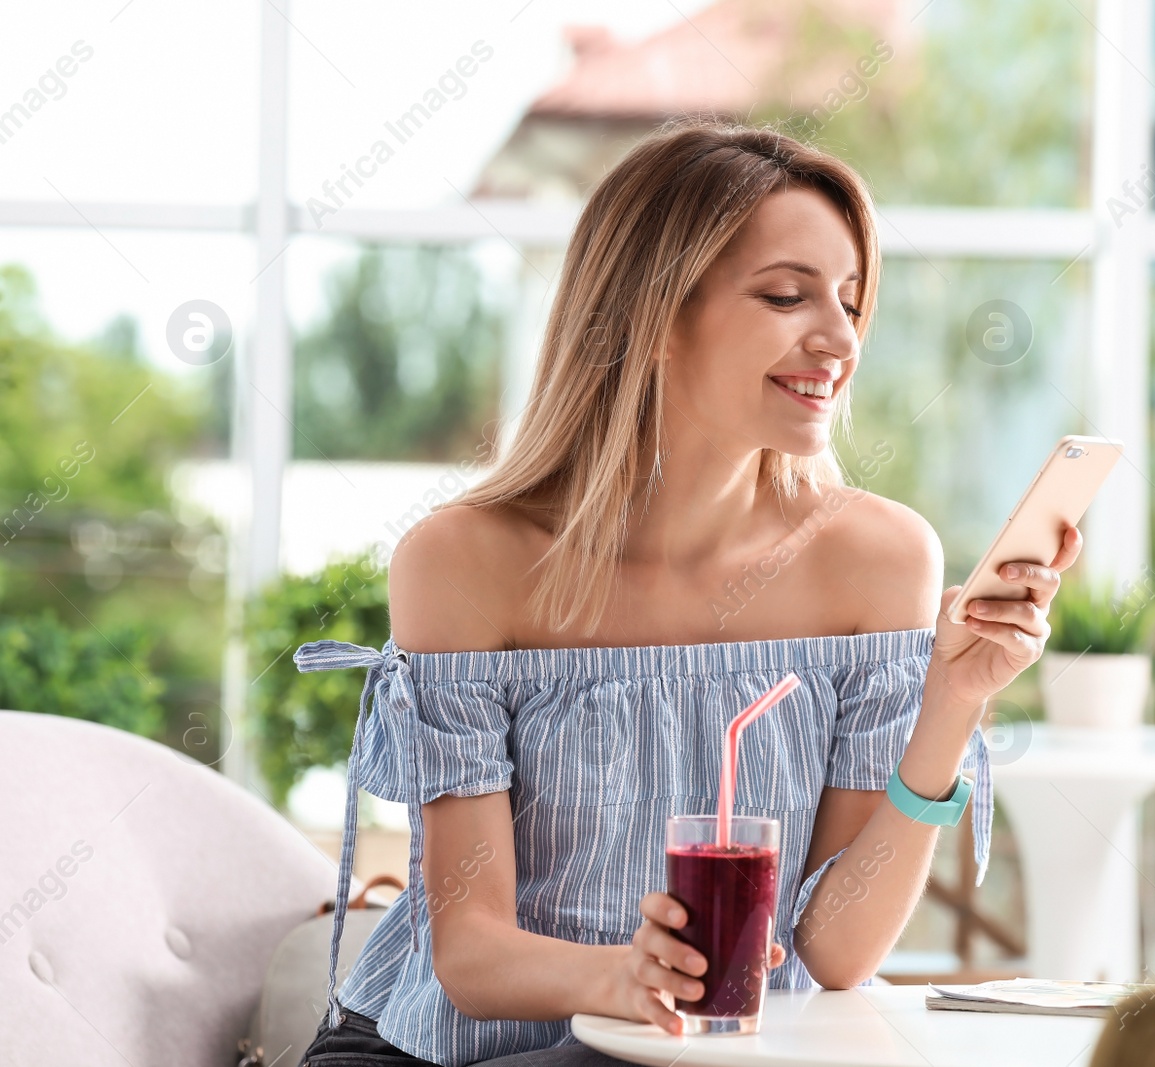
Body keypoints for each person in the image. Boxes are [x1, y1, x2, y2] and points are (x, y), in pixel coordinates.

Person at [292, 120, 1082, 1067]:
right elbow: (469, 954)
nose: (838, 337)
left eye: (851, 299)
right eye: (787, 295)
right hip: (457, 1052)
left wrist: (954, 699)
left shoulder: (878, 558)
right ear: (655, 315)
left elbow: (834, 954)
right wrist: (617, 978)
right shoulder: (466, 558)